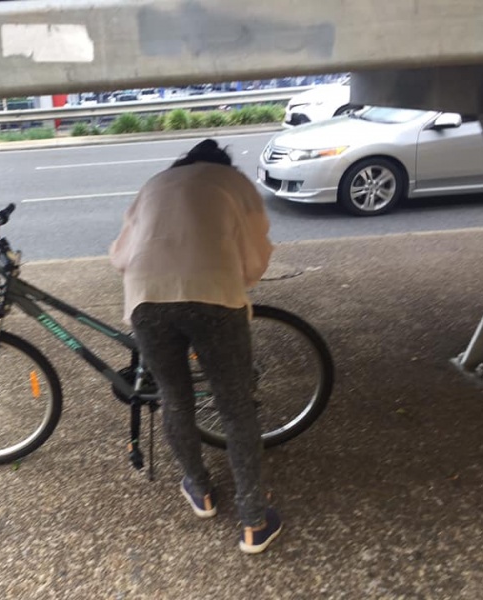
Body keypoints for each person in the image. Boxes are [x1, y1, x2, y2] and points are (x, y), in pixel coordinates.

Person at [109, 138, 282, 554]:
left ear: (184, 162)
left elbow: (120, 256)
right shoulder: (235, 183)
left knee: (175, 398)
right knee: (236, 406)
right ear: (223, 164)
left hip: (147, 297)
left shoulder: (156, 183)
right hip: (214, 295)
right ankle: (253, 521)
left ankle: (200, 489)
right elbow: (255, 259)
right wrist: (236, 279)